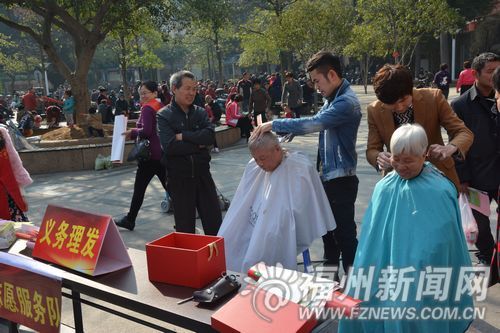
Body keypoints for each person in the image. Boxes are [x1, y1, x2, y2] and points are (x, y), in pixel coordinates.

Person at [338, 124, 474, 333]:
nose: (401, 166)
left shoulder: (440, 189)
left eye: (408, 160)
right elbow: (371, 240)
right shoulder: (384, 187)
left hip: (423, 270)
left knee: (415, 305)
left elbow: (443, 243)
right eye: (396, 159)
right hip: (384, 270)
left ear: (424, 155)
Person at [253, 51, 362, 275]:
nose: (315, 87)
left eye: (316, 81)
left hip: (341, 181)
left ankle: (355, 287)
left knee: (345, 237)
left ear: (331, 74)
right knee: (329, 236)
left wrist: (275, 124)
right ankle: (329, 283)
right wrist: (281, 138)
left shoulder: (346, 103)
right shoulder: (332, 99)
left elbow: (315, 123)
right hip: (328, 179)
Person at [218, 132, 336, 273]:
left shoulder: (299, 167)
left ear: (277, 149)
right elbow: (242, 203)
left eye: (263, 158)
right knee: (232, 237)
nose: (259, 164)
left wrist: (272, 221)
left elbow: (302, 209)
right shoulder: (254, 167)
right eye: (255, 159)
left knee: (269, 239)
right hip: (257, 217)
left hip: (281, 221)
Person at [366, 64, 473, 191]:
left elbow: (463, 132)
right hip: (398, 181)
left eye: (403, 100)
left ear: (411, 89)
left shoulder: (434, 98)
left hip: (437, 178)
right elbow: (372, 149)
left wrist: (450, 148)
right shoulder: (374, 110)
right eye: (392, 104)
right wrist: (378, 157)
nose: (399, 107)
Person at [157, 71, 222, 236]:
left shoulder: (200, 112)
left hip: (203, 175)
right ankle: (190, 261)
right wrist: (198, 144)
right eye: (187, 88)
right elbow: (170, 146)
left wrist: (184, 136)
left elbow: (209, 137)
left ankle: (216, 261)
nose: (192, 93)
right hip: (179, 178)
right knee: (185, 229)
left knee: (215, 224)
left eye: (194, 89)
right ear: (174, 88)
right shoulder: (164, 115)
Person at [451, 52, 500, 266]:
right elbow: (456, 144)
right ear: (475, 74)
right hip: (477, 176)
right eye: (490, 71)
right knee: (478, 224)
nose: (495, 76)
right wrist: (462, 177)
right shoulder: (461, 105)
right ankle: (489, 257)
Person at [115, 81, 167, 231]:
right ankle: (185, 216)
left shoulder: (147, 108)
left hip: (149, 156)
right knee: (170, 187)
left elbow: (146, 131)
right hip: (161, 153)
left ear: (154, 93)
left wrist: (132, 132)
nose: (142, 96)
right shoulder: (160, 106)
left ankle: (130, 219)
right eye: (140, 93)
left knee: (139, 189)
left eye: (145, 93)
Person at [0, 125, 32, 221]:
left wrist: (21, 194)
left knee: (14, 230)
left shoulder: (2, 133)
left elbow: (15, 164)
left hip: (7, 195)